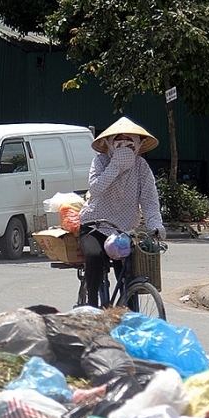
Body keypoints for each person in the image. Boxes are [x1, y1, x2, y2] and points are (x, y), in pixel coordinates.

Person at [78, 117, 166, 308]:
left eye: (129, 142)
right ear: (110, 143)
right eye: (119, 141)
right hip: (95, 227)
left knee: (129, 271)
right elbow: (95, 188)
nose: (124, 146)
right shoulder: (100, 161)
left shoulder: (141, 167)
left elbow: (150, 200)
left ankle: (131, 313)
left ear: (137, 144)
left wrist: (155, 225)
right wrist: (116, 165)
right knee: (94, 257)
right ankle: (92, 306)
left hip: (124, 231)